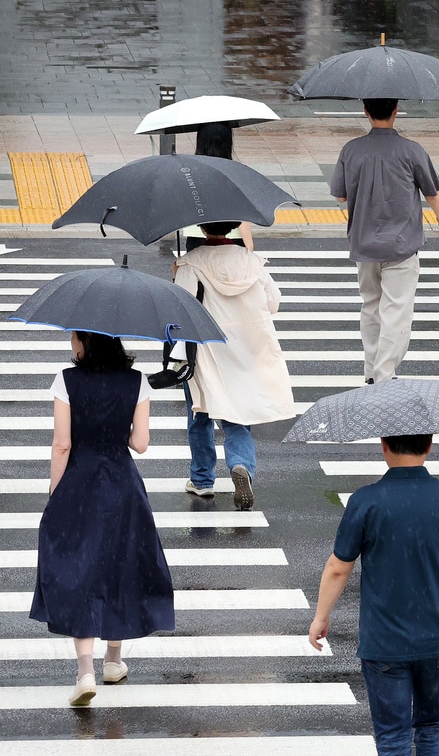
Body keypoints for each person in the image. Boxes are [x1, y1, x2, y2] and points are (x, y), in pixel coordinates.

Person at [310, 433, 439, 755]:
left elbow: (337, 567)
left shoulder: (367, 500)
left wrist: (321, 616)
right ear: (429, 446)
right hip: (437, 635)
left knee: (393, 736)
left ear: (384, 446)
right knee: (434, 725)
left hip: (384, 640)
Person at [32, 331, 174, 706]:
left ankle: (84, 671)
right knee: (120, 567)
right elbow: (140, 443)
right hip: (123, 486)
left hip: (79, 483)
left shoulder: (67, 380)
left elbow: (62, 444)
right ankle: (113, 660)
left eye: (73, 336)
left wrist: (54, 495)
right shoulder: (137, 381)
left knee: (81, 570)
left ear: (84, 341)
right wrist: (117, 429)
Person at [174, 221, 295, 510]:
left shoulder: (191, 264)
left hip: (206, 350)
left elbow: (181, 307)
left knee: (200, 412)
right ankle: (241, 465)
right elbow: (273, 303)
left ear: (202, 230)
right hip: (246, 349)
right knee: (238, 413)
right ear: (232, 230)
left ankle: (202, 479)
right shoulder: (252, 263)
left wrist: (178, 273)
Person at [331, 98, 439, 385]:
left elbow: (341, 195)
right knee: (396, 310)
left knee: (370, 305)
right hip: (401, 244)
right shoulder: (411, 150)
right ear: (396, 111)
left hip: (363, 243)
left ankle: (372, 371)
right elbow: (431, 190)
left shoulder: (351, 150)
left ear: (365, 111)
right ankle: (384, 375)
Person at [180, 122, 255, 251]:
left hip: (196, 237)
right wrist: (249, 243)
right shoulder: (234, 171)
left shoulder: (190, 171)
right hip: (231, 238)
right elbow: (242, 210)